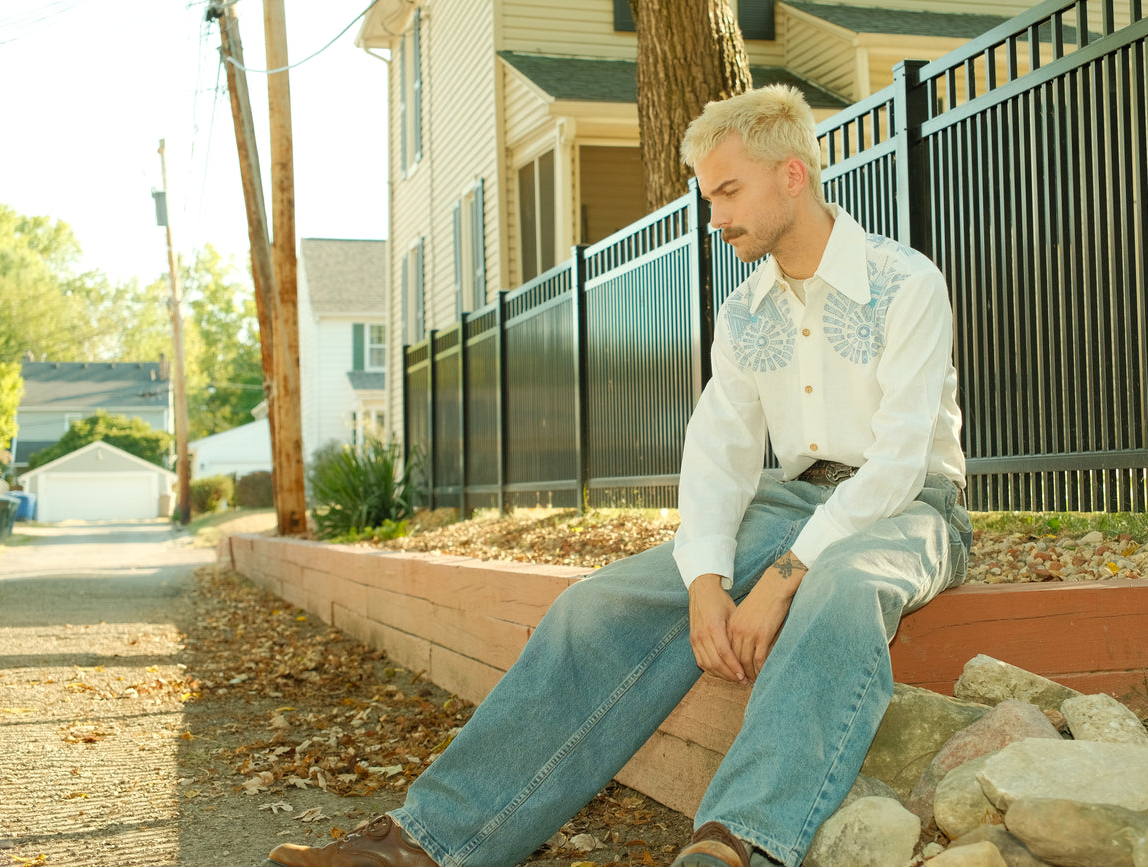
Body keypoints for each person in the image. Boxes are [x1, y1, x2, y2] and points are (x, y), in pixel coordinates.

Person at [268, 84, 969, 867]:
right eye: (709, 196)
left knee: (837, 591)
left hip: (911, 506)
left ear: (792, 176)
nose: (716, 216)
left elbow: (901, 458)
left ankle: (736, 845)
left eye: (729, 190)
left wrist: (784, 574)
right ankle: (427, 843)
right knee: (595, 605)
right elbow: (719, 449)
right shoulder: (744, 311)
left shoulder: (903, 281)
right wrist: (705, 576)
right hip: (793, 498)